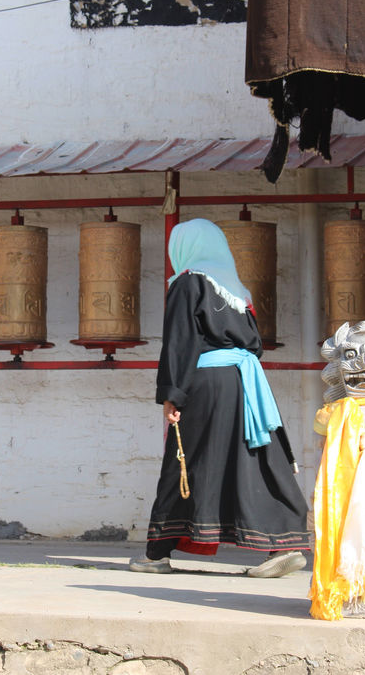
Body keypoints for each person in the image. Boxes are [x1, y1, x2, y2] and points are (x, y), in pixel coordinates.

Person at [129, 218, 308, 577]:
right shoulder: (238, 291)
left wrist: (172, 394)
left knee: (187, 460)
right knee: (256, 457)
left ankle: (156, 553)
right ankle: (281, 545)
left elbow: (181, 341)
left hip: (207, 382)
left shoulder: (188, 281)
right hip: (245, 383)